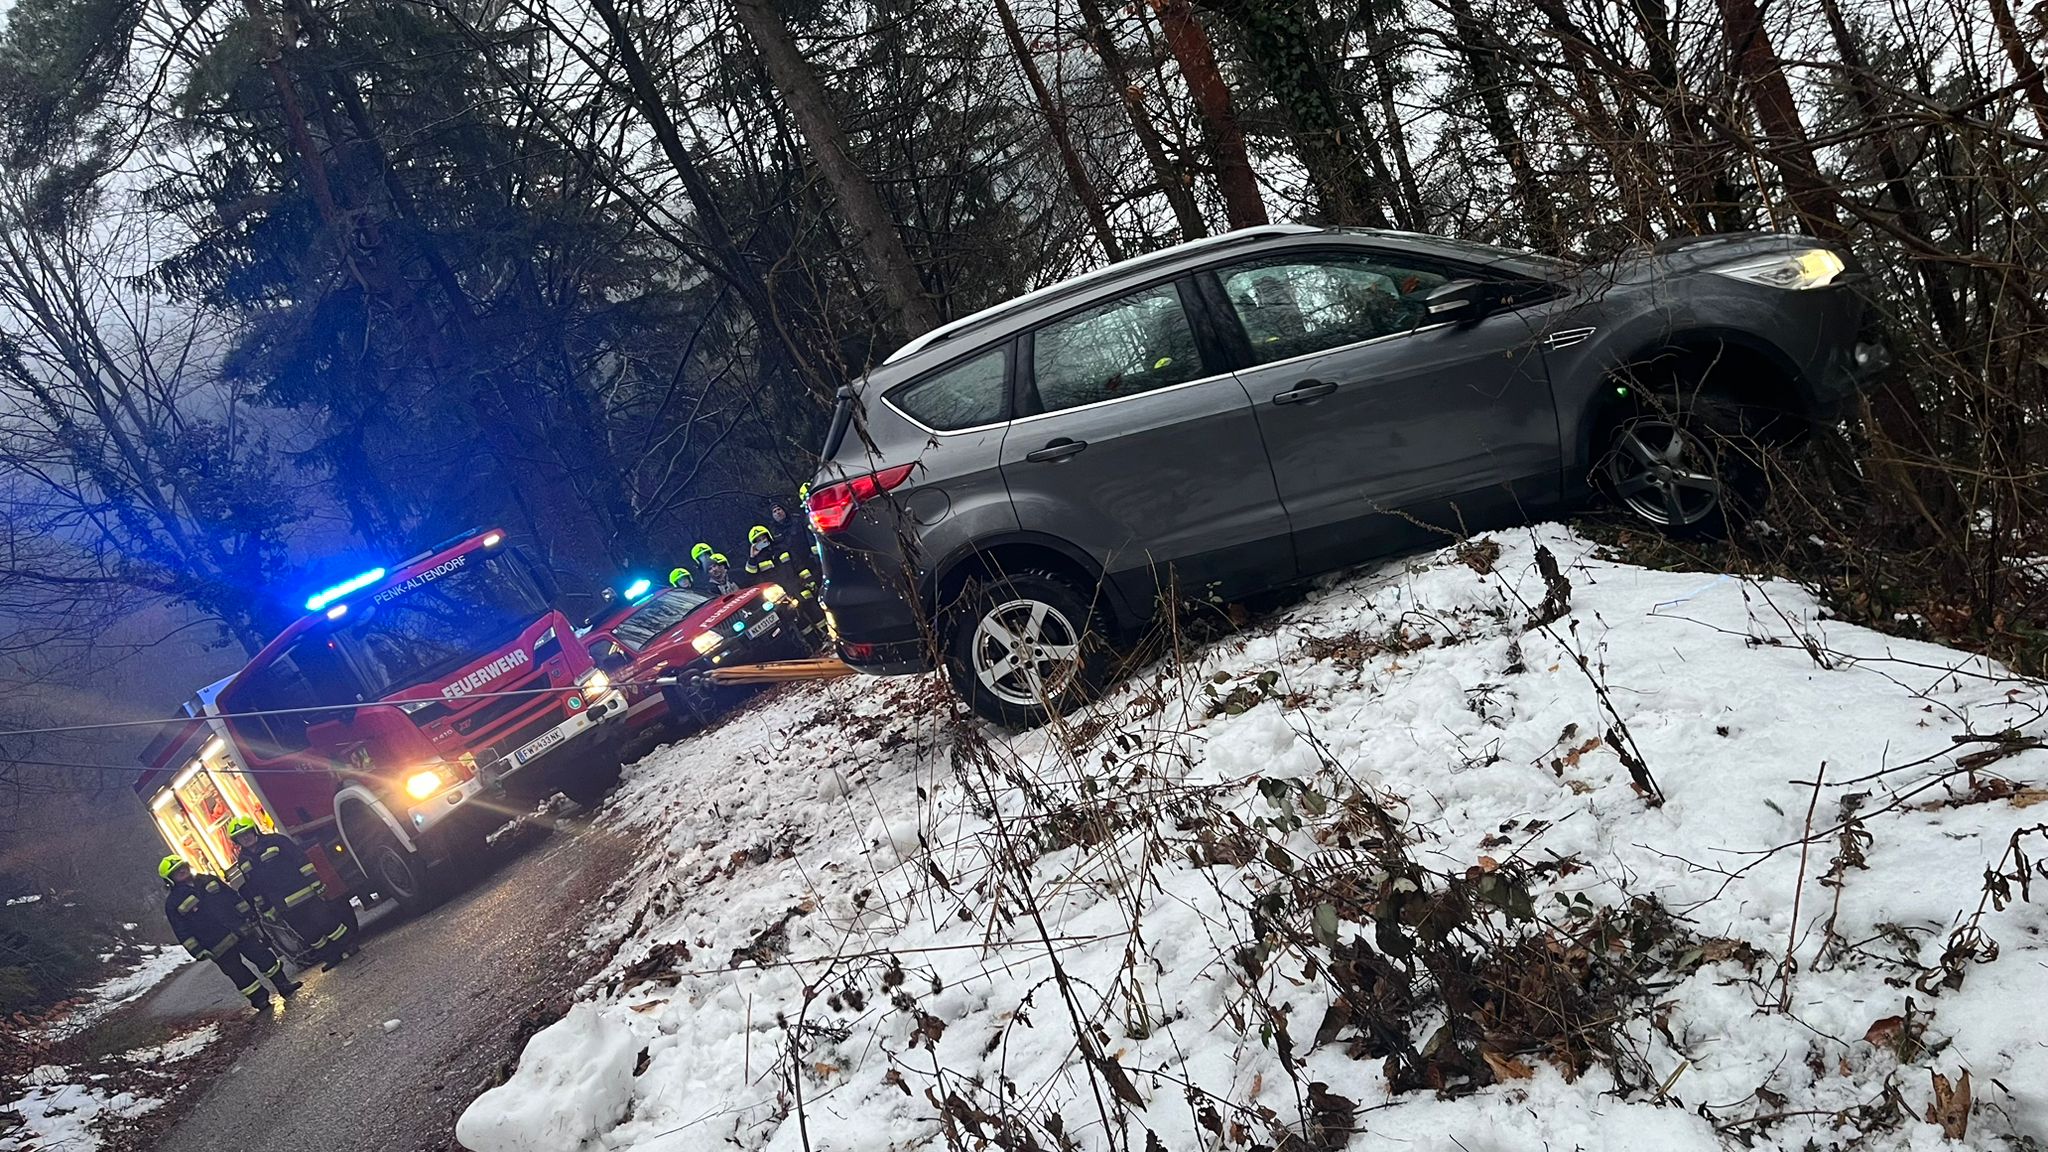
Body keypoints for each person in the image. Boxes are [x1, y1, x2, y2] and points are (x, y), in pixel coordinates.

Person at [160, 855, 298, 1012]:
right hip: (216, 945)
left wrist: (249, 915)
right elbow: (181, 930)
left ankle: (283, 985)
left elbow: (234, 897)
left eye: (182, 867)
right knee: (239, 974)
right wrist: (197, 950)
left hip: (240, 931)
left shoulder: (208, 880)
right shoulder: (173, 903)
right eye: (176, 871)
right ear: (169, 879)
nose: (182, 871)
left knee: (264, 957)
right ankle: (260, 1000)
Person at [226, 817, 354, 969]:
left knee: (327, 922)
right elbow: (254, 888)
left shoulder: (276, 841)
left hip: (304, 893)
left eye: (247, 833)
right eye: (240, 836)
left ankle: (349, 945)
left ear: (254, 830)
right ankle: (331, 956)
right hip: (283, 906)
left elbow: (301, 861)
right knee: (310, 934)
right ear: (236, 840)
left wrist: (315, 882)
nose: (245, 838)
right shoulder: (243, 860)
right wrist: (266, 909)